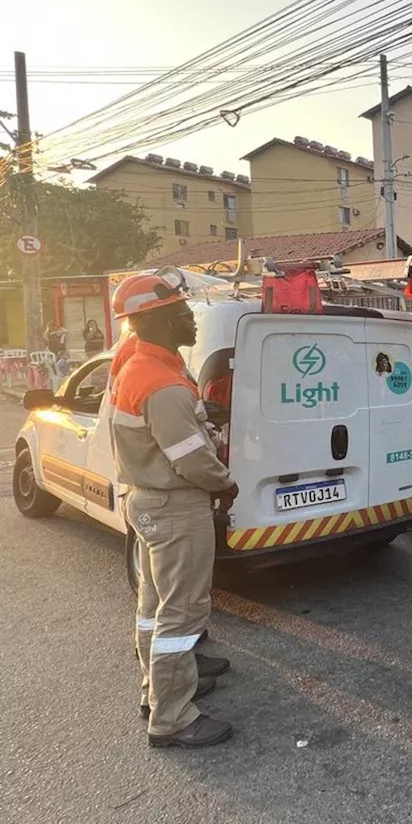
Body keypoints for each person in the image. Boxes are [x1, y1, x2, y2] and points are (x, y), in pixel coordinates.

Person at [106, 269, 238, 749]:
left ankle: (157, 689)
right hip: (175, 507)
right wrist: (226, 483)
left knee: (154, 606)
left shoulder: (140, 365)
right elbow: (192, 460)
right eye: (182, 311)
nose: (191, 318)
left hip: (148, 503)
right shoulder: (159, 382)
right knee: (181, 613)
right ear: (158, 320)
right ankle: (174, 717)